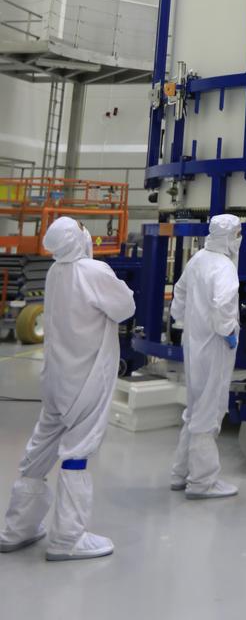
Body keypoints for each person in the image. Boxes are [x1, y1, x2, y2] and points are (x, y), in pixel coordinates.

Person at [0, 216, 135, 561]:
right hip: (85, 380)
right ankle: (68, 538)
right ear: (77, 239)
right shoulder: (94, 271)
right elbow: (125, 308)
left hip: (56, 379)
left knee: (40, 451)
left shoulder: (55, 271)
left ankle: (17, 528)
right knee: (78, 452)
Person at [170, 213, 241, 498]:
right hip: (214, 344)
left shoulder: (198, 259)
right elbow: (223, 303)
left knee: (195, 406)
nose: (239, 239)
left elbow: (179, 293)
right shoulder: (224, 266)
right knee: (208, 411)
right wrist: (228, 331)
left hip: (193, 341)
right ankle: (202, 482)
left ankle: (180, 472)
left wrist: (182, 321)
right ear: (229, 236)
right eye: (237, 234)